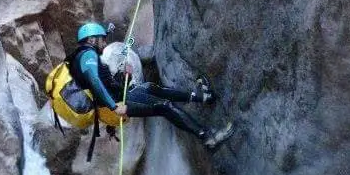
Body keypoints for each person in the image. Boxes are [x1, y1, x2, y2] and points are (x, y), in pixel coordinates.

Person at [69, 23, 234, 150]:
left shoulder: (85, 56)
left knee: (151, 88)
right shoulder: (87, 55)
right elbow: (95, 81)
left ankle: (203, 97)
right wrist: (114, 107)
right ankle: (207, 136)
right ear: (91, 40)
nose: (105, 42)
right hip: (120, 102)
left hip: (123, 95)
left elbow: (103, 81)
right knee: (164, 106)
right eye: (102, 38)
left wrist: (123, 76)